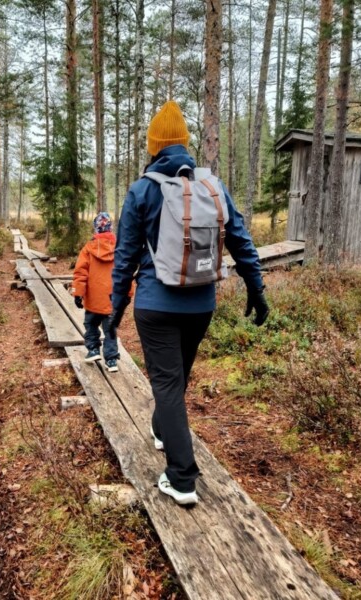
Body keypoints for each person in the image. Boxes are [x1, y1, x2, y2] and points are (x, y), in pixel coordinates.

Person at [109, 100, 269, 505]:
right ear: (185, 143)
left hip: (155, 304)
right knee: (174, 379)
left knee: (167, 382)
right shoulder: (212, 186)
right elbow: (241, 240)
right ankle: (162, 431)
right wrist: (257, 289)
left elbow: (124, 257)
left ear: (153, 146)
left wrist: (114, 310)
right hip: (200, 305)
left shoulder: (143, 190)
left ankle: (182, 478)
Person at [72, 212, 121, 373]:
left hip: (93, 298)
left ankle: (93, 350)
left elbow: (80, 272)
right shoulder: (120, 247)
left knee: (91, 324)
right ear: (110, 228)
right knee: (110, 329)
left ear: (96, 228)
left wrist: (78, 293)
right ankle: (112, 360)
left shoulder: (88, 248)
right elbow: (125, 272)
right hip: (112, 299)